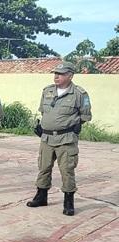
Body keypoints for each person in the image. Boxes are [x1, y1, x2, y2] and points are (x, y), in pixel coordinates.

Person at [27, 61, 91, 216]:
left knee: (67, 170)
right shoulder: (47, 91)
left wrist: (73, 127)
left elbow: (85, 115)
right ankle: (41, 196)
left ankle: (68, 202)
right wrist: (44, 127)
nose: (56, 76)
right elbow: (44, 112)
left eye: (61, 74)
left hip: (66, 138)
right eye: (55, 73)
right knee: (43, 167)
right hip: (47, 138)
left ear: (70, 75)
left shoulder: (79, 94)